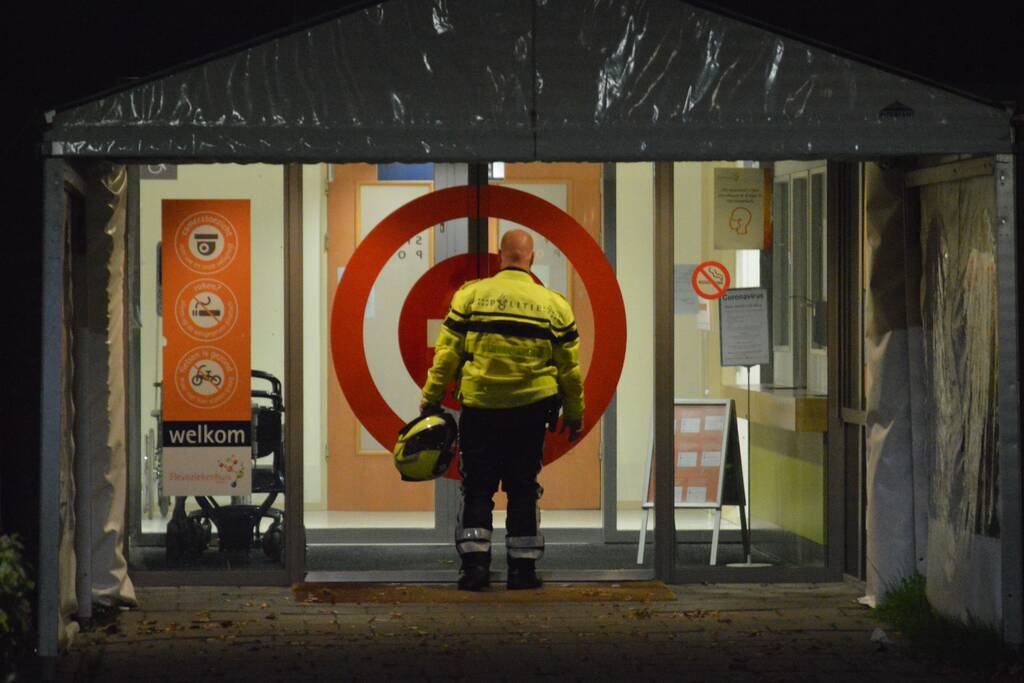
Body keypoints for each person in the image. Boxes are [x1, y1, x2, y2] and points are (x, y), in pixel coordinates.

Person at [420, 229, 584, 591]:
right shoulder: (554, 305)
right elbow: (569, 370)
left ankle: (475, 569)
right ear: (532, 258)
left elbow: (446, 354)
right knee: (523, 487)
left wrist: (431, 397)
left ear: (500, 257)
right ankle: (522, 571)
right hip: (530, 411)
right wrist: (574, 412)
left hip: (481, 408)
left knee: (477, 487)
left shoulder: (472, 296)